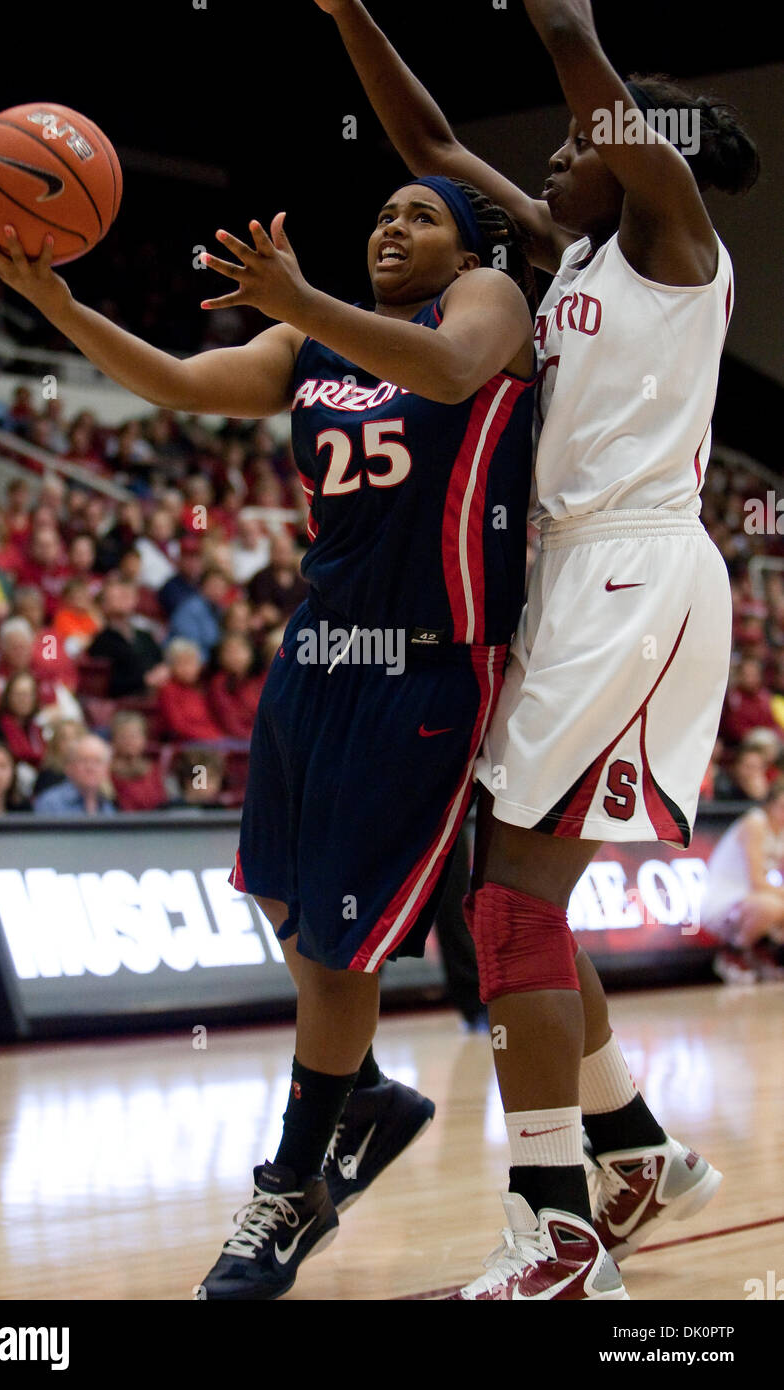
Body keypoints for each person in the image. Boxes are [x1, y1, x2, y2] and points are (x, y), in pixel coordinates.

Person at [0, 151, 536, 1302]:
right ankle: (363, 1091)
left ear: (464, 249)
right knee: (279, 894)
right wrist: (60, 304)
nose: (392, 227)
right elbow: (179, 382)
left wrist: (300, 297)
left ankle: (292, 1185)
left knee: (333, 941)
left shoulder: (485, 304)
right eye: (379, 212)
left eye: (420, 215)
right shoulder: (310, 345)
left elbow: (444, 366)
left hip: (424, 667)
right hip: (312, 656)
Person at [318, 0, 759, 1299]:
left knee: (508, 902)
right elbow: (428, 135)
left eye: (578, 150)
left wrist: (559, 25)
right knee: (515, 897)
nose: (552, 164)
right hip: (570, 580)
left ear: (627, 151)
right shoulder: (569, 258)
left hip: (629, 564)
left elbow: (581, 58)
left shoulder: (672, 241)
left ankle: (555, 1235)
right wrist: (350, 11)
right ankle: (630, 1150)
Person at [703, 780, 784, 983]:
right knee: (771, 906)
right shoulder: (755, 823)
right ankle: (733, 953)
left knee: (774, 905)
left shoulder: (781, 831)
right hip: (725, 898)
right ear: (770, 804)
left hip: (752, 896)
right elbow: (756, 881)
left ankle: (764, 952)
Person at [32, 733, 117, 816]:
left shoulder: (108, 804)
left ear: (106, 769)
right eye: (84, 761)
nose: (90, 768)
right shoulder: (50, 803)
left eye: (97, 761)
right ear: (69, 767)